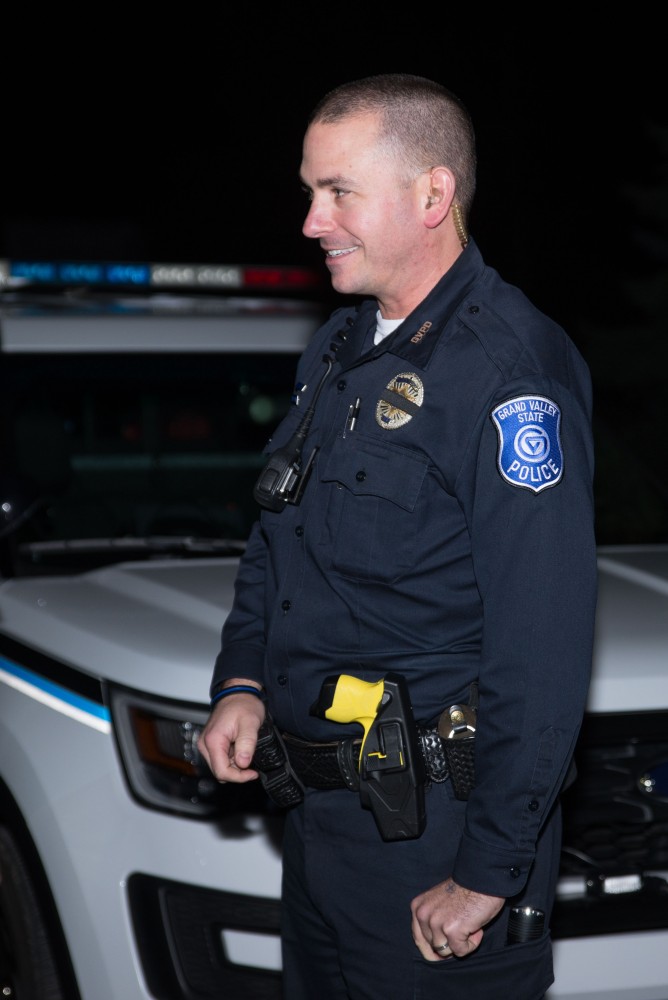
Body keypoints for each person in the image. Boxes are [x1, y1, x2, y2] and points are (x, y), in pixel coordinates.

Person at [198, 73, 598, 1000]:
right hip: (321, 829)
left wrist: (489, 873)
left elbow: (541, 652)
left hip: (438, 851)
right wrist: (245, 681)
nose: (310, 221)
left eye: (338, 192)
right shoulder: (338, 349)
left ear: (432, 195)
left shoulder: (508, 374)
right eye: (310, 191)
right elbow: (276, 543)